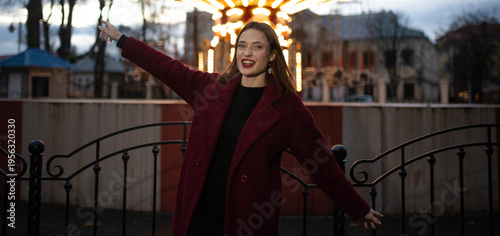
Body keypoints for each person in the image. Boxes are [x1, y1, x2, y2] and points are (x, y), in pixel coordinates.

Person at [98, 20, 383, 236]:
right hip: (197, 210)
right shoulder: (211, 88)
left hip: (246, 217)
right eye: (242, 45)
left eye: (257, 47)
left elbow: (321, 163)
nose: (247, 53)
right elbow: (167, 68)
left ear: (271, 55)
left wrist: (358, 208)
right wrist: (123, 40)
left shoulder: (286, 108)